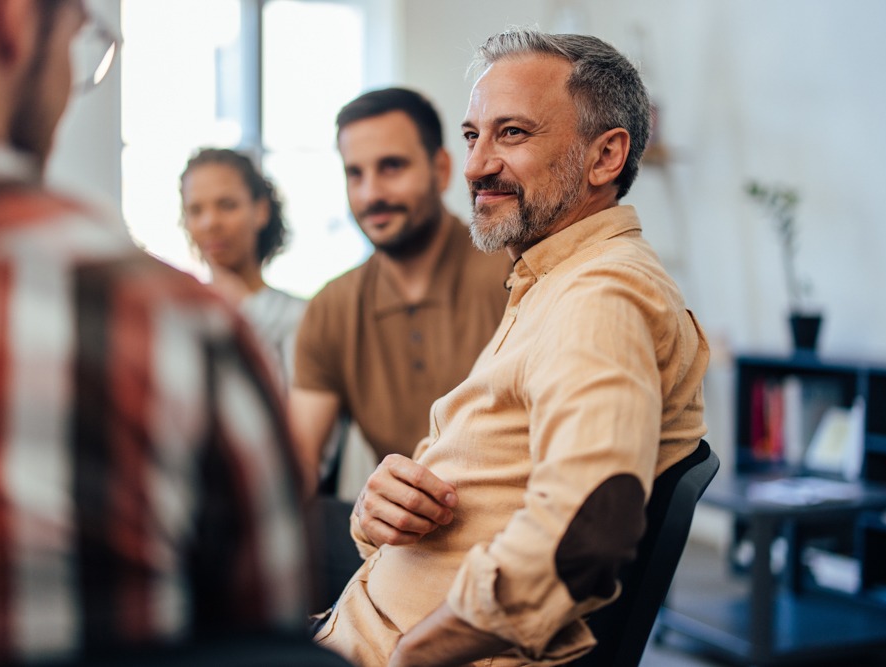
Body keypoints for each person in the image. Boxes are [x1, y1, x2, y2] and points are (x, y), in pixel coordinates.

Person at [314, 28, 710, 667]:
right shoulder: (549, 281)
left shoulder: (600, 296)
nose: (475, 165)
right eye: (474, 135)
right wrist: (378, 507)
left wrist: (416, 653)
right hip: (357, 628)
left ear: (605, 157)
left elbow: (588, 529)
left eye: (513, 134)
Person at [0, 1, 310, 664]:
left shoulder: (275, 315)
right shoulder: (166, 321)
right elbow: (269, 628)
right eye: (81, 40)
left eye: (227, 203)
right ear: (14, 21)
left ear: (261, 209)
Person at [290, 87, 511, 490]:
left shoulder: (514, 277)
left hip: (511, 529)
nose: (370, 193)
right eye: (355, 174)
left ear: (441, 170)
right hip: (393, 537)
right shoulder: (330, 308)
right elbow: (297, 464)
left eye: (391, 167)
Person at [180, 147, 307, 383]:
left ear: (260, 211)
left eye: (227, 205)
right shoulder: (178, 317)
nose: (210, 222)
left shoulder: (301, 318)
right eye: (196, 210)